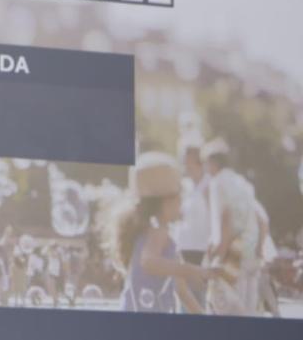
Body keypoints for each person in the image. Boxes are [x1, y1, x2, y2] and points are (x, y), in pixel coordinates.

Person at [109, 151, 211, 313]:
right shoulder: (158, 232)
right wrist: (189, 269)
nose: (182, 202)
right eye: (179, 196)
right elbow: (148, 262)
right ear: (165, 201)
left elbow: (182, 290)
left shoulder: (157, 234)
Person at [202, 138, 263, 315]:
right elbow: (259, 217)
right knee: (248, 311)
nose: (205, 168)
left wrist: (218, 256)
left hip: (233, 254)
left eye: (206, 163)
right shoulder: (243, 182)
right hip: (251, 250)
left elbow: (225, 219)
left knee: (227, 310)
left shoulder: (217, 183)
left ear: (213, 163)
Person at [173, 133, 210, 306]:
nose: (183, 163)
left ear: (196, 159)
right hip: (183, 251)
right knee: (184, 302)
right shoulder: (185, 186)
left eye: (185, 158)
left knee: (199, 301)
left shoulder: (209, 185)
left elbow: (215, 221)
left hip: (203, 253)